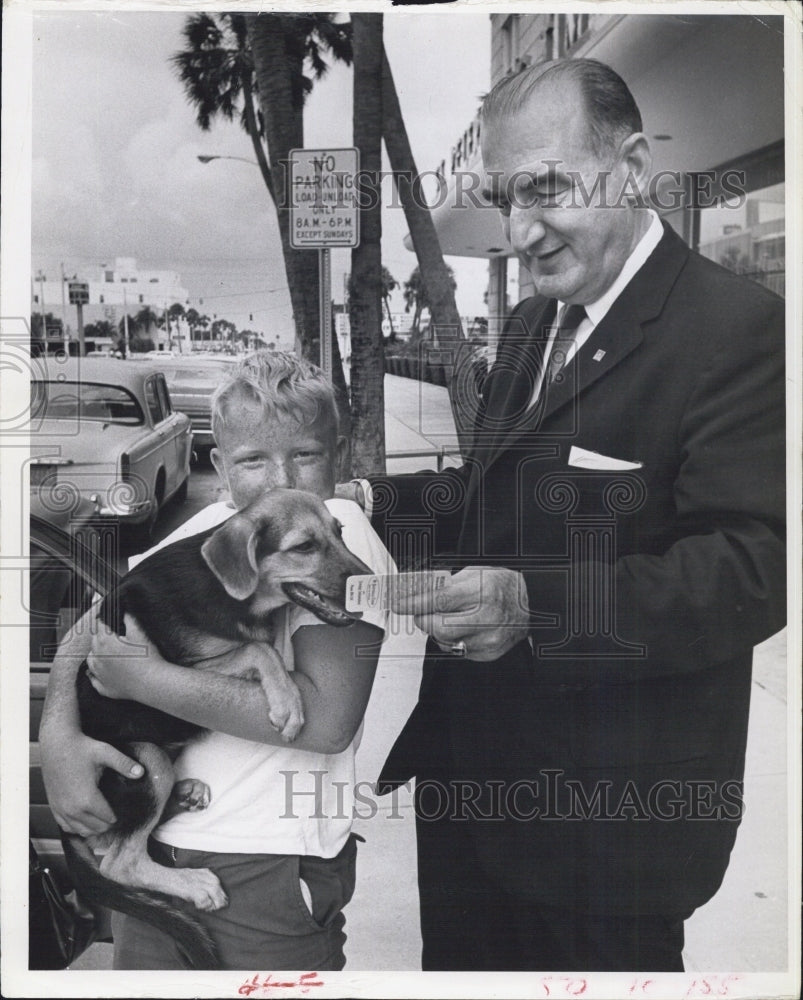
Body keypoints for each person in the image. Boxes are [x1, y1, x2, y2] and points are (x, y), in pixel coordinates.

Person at [347, 58, 786, 971]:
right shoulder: (531, 326)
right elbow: (492, 499)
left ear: (629, 167)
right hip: (469, 797)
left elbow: (753, 571)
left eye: (544, 188)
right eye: (504, 199)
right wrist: (359, 506)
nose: (519, 231)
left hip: (609, 838)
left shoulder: (740, 330)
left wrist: (531, 610)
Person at [38, 351, 396, 970]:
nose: (281, 480)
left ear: (338, 457)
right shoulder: (210, 531)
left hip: (264, 864)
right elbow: (87, 629)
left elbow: (326, 722)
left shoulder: (338, 540)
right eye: (255, 459)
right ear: (220, 466)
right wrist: (56, 741)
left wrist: (144, 679)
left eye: (304, 454)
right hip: (158, 849)